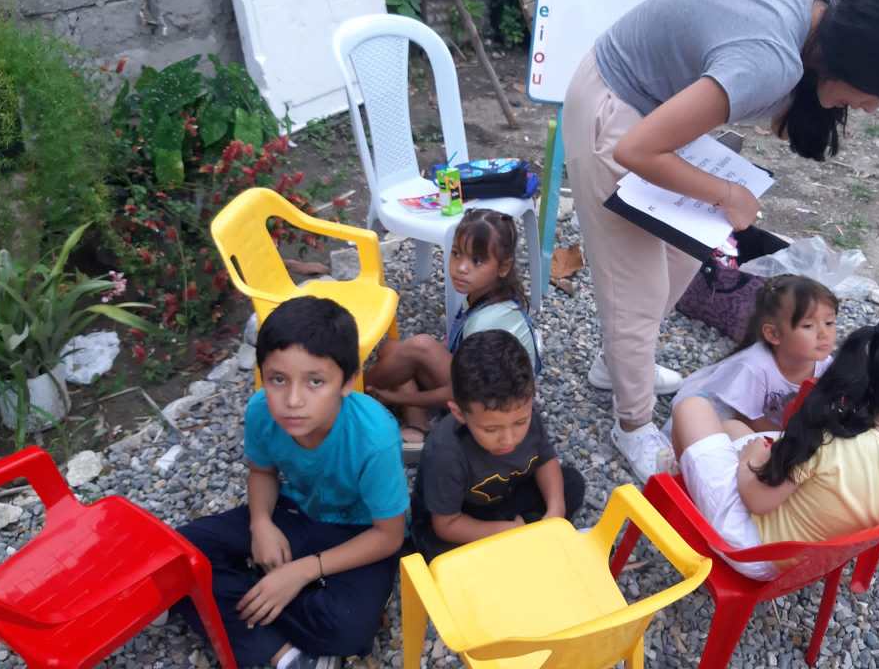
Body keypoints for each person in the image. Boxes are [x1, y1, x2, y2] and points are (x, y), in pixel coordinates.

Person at [562, 0, 879, 480]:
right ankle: (633, 424)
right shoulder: (768, 61)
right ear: (867, 62)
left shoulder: (823, 10)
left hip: (657, 108)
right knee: (635, 289)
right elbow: (636, 150)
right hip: (617, 107)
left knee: (680, 256)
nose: (875, 110)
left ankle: (617, 364)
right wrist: (727, 193)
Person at [172, 297, 408, 669]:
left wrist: (303, 571)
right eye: (278, 380)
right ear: (263, 375)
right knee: (180, 554)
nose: (293, 400)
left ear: (348, 381)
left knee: (350, 627)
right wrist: (260, 524)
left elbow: (389, 536)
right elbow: (262, 472)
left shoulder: (374, 438)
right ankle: (285, 655)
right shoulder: (261, 410)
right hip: (294, 513)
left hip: (358, 532)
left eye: (315, 382)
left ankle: (245, 599)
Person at [671, 303, 879, 580]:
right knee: (732, 428)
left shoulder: (829, 438)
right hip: (808, 561)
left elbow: (757, 500)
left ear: (874, 365)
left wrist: (747, 462)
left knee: (693, 408)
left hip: (750, 548)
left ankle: (680, 495)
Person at [364, 208, 541, 458]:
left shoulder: (488, 321)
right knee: (391, 349)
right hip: (476, 383)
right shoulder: (486, 295)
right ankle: (417, 425)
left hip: (493, 407)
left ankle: (351, 395)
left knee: (419, 347)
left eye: (476, 261)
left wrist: (397, 398)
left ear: (503, 267)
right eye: (456, 254)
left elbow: (461, 392)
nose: (461, 268)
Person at [410, 329, 585, 562]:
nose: (509, 439)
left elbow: (545, 459)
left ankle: (522, 546)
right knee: (440, 554)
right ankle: (523, 547)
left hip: (504, 497)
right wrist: (508, 531)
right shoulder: (445, 451)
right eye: (491, 430)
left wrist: (555, 510)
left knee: (571, 484)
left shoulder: (522, 412)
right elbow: (446, 525)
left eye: (520, 423)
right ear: (459, 413)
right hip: (459, 516)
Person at [661, 276, 838, 458]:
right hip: (718, 424)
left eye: (829, 323)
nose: (824, 334)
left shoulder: (826, 365)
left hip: (771, 431)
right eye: (808, 326)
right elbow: (746, 418)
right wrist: (792, 440)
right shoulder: (754, 367)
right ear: (774, 334)